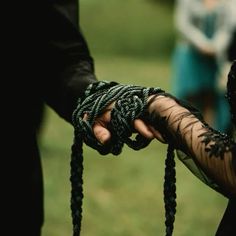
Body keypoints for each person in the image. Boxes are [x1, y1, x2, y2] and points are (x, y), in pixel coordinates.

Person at [170, 0, 234, 133]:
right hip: (190, 53)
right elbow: (183, 24)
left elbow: (228, 25)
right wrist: (202, 44)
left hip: (214, 56)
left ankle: (208, 137)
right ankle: (187, 136)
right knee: (190, 97)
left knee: (211, 97)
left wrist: (215, 46)